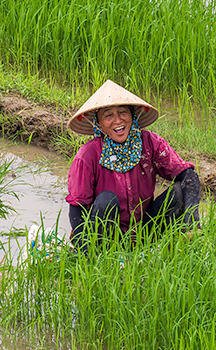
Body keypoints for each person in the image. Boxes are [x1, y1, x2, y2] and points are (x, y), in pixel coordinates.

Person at [65, 80, 201, 252]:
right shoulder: (88, 155)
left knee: (180, 190)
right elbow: (77, 209)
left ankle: (158, 248)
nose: (117, 120)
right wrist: (84, 252)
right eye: (108, 115)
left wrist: (192, 219)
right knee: (107, 199)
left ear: (132, 115)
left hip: (144, 230)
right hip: (107, 236)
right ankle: (102, 256)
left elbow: (187, 175)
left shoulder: (150, 143)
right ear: (98, 124)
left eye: (123, 112)